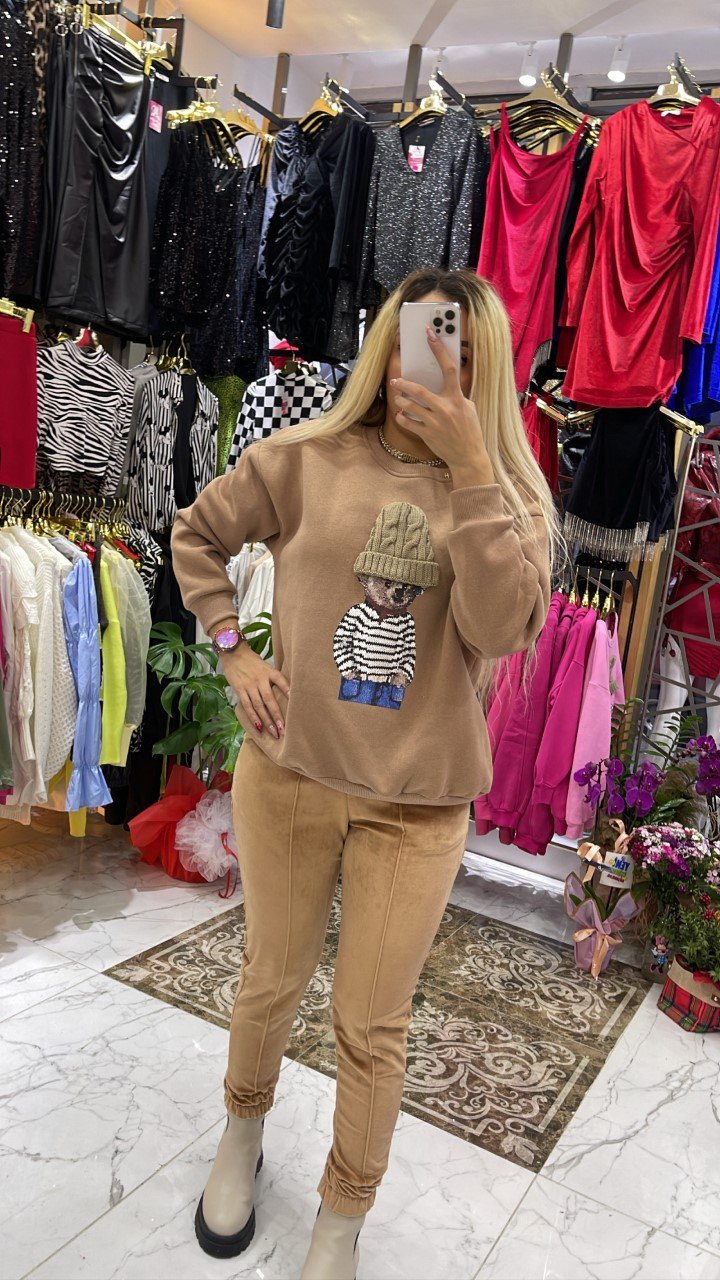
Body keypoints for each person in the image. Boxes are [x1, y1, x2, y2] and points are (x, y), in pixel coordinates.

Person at [171, 267, 557, 1279]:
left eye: (457, 349)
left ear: (486, 370)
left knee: (371, 1022)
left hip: (417, 806)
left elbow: (497, 628)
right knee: (270, 979)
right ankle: (242, 1134)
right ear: (386, 344)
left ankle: (341, 1219)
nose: (426, 365)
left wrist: (471, 467)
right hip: (291, 773)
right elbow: (197, 535)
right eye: (417, 338)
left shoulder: (510, 501)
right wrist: (234, 649)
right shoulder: (303, 458)